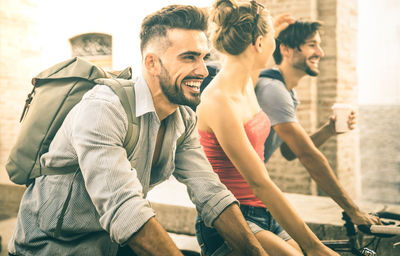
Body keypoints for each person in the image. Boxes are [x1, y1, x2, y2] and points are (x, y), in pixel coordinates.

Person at [8, 5, 270, 256]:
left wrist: (257, 253)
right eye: (189, 57)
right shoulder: (104, 109)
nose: (202, 70)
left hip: (111, 246)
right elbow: (125, 209)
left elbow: (211, 193)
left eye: (203, 57)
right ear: (152, 63)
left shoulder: (183, 119)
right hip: (51, 249)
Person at [195, 0, 338, 255]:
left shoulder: (247, 82)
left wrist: (271, 26)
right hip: (230, 218)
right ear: (259, 43)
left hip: (264, 212)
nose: (276, 42)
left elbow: (249, 59)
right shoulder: (220, 102)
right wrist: (315, 245)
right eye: (273, 36)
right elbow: (259, 182)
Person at [254, 20, 381, 226]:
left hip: (249, 193)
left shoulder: (288, 93)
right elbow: (308, 156)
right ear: (286, 50)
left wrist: (329, 130)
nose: (320, 53)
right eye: (312, 45)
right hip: (238, 195)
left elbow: (288, 151)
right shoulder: (273, 89)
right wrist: (353, 211)